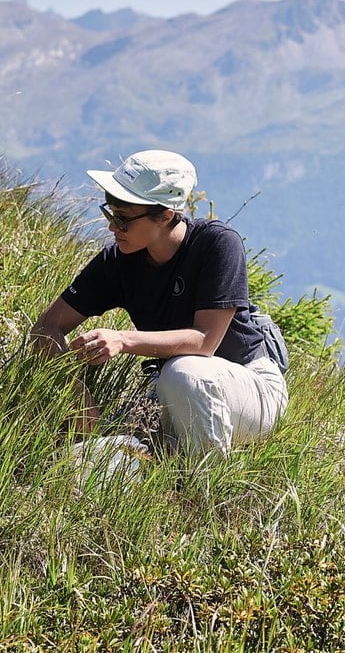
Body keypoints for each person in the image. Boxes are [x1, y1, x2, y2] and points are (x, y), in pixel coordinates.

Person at [30, 149, 288, 457]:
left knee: (184, 372)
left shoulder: (217, 244)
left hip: (250, 387)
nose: (113, 227)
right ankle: (167, 476)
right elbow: (46, 328)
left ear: (166, 215)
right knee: (96, 454)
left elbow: (204, 341)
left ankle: (202, 492)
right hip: (172, 389)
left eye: (123, 219)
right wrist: (81, 404)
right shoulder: (117, 260)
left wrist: (123, 339)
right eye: (109, 213)